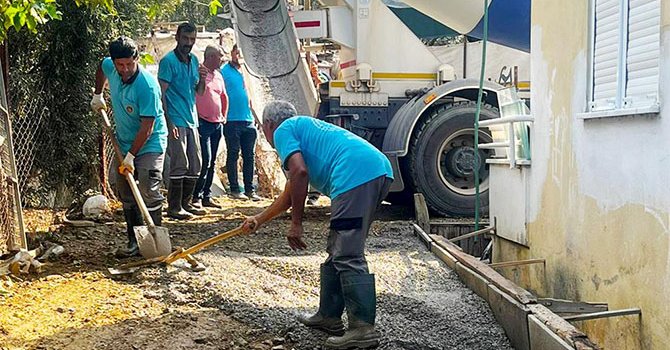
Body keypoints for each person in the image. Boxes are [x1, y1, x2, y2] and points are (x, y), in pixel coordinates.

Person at [242, 101, 394, 349]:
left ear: (269, 125)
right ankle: (329, 316)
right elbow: (290, 193)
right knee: (339, 248)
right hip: (373, 171)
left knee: (347, 253)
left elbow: (300, 172)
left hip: (355, 175)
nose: (267, 136)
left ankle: (363, 329)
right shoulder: (303, 130)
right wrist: (259, 220)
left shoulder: (284, 130)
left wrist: (296, 224)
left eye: (264, 129)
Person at [90, 36, 168, 257]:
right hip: (123, 142)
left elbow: (147, 128)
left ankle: (154, 241)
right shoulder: (110, 66)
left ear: (137, 59)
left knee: (149, 188)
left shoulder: (147, 86)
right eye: (120, 65)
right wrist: (98, 94)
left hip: (150, 142)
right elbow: (101, 67)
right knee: (126, 192)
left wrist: (132, 157)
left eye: (129, 64)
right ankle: (134, 241)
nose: (124, 69)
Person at [158, 22, 208, 219]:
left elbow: (200, 92)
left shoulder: (194, 60)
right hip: (176, 117)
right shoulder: (168, 61)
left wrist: (203, 78)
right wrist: (168, 122)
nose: (189, 43)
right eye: (185, 38)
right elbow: (161, 94)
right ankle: (174, 206)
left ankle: (186, 204)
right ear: (177, 37)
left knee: (196, 163)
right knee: (180, 162)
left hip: (191, 118)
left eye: (192, 39)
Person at [220, 44, 262, 201]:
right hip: (231, 120)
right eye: (237, 52)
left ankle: (250, 189)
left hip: (248, 120)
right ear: (232, 53)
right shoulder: (224, 72)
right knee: (233, 154)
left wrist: (257, 117)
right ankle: (235, 189)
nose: (239, 56)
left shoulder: (248, 73)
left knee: (249, 156)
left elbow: (253, 96)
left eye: (242, 53)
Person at [192, 45, 228, 209]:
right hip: (203, 122)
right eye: (220, 56)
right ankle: (196, 196)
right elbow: (196, 93)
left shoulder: (219, 76)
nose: (222, 60)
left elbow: (223, 96)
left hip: (216, 123)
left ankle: (207, 195)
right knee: (204, 160)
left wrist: (224, 116)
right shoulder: (199, 72)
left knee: (212, 161)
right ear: (211, 57)